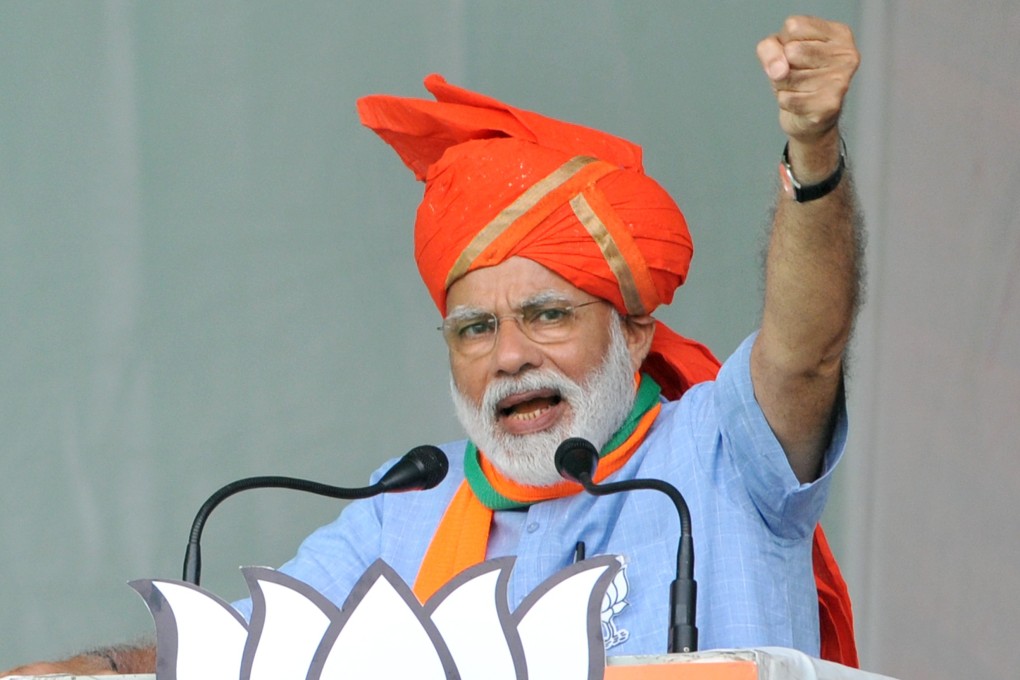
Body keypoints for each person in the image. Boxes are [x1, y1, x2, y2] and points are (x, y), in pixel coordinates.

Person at [3, 15, 861, 676]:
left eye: (548, 315)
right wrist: (97, 671)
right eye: (475, 329)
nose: (510, 356)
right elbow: (240, 652)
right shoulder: (407, 508)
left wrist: (813, 153)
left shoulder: (718, 455)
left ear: (635, 328)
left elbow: (806, 352)